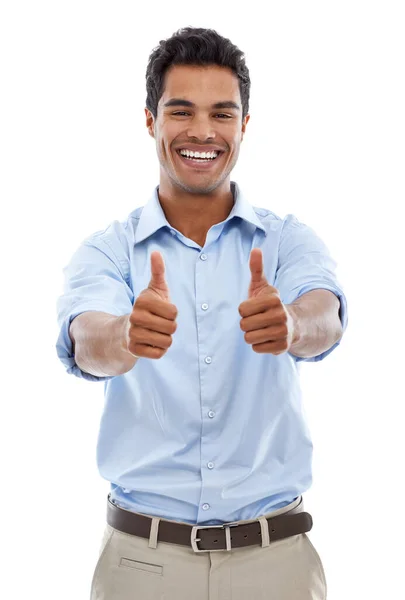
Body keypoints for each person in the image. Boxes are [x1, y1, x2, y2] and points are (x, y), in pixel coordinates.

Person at [56, 26, 348, 600]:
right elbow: (84, 336)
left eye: (222, 113)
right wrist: (123, 335)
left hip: (278, 567)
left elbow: (325, 314)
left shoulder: (288, 240)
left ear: (243, 125)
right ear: (150, 121)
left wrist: (292, 324)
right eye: (181, 110)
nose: (202, 132)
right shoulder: (109, 250)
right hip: (140, 568)